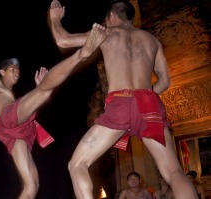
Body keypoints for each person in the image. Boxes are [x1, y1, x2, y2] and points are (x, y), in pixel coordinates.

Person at [48, 0, 198, 199]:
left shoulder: (108, 33)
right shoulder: (152, 40)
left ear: (111, 16)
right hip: (149, 103)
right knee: (174, 172)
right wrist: (143, 98)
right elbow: (165, 81)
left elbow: (63, 40)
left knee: (77, 164)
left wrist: (55, 19)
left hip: (120, 102)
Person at [0, 25, 107, 199]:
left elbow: (29, 110)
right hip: (9, 120)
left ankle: (43, 86)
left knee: (32, 185)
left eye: (18, 70)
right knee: (45, 90)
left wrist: (38, 89)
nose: (17, 72)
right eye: (12, 69)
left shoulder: (11, 96)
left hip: (17, 133)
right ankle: (81, 54)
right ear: (2, 72)